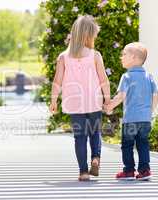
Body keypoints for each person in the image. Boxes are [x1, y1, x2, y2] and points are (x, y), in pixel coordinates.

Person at [49, 15, 110, 181]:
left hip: (74, 103)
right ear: (88, 36)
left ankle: (83, 172)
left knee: (80, 137)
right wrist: (108, 99)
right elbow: (104, 79)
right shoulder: (95, 55)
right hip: (94, 101)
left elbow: (57, 81)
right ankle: (95, 158)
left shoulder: (63, 57)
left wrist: (53, 100)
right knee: (95, 132)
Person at [104, 42, 158, 181]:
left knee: (127, 145)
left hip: (131, 120)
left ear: (133, 57)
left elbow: (121, 96)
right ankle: (145, 170)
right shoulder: (149, 76)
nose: (121, 57)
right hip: (145, 119)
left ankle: (129, 171)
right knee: (143, 143)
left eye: (124, 54)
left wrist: (110, 107)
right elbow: (156, 95)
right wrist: (150, 111)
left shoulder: (127, 77)